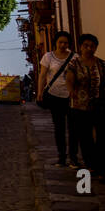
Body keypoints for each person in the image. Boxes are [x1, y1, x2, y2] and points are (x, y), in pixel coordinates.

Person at [65, 34, 105, 184]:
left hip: (103, 106)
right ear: (81, 47)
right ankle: (91, 165)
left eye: (92, 46)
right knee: (86, 138)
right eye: (86, 45)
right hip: (81, 107)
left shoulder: (103, 65)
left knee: (103, 138)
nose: (89, 48)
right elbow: (69, 79)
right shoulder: (74, 64)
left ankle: (102, 170)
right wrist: (72, 91)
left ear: (96, 47)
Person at [38, 31, 77, 167]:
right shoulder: (48, 57)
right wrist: (39, 92)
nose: (62, 45)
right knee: (59, 128)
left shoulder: (74, 57)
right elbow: (42, 75)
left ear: (69, 44)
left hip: (71, 96)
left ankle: (74, 158)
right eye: (60, 42)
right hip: (54, 96)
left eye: (65, 42)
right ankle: (61, 157)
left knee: (73, 128)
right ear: (56, 42)